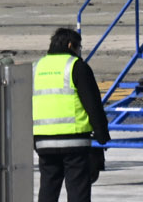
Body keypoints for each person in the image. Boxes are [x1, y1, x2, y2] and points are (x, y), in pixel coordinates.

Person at [32, 27, 109, 202]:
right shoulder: (76, 66)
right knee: (78, 190)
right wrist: (102, 133)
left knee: (48, 189)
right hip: (74, 141)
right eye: (79, 47)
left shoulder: (36, 68)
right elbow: (92, 103)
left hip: (44, 141)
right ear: (70, 45)